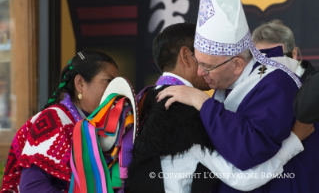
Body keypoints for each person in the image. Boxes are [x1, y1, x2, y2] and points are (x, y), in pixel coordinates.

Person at [157, 0, 319, 193]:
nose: (199, 73)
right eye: (198, 62)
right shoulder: (228, 82)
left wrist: (202, 102)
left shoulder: (276, 83)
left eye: (207, 66)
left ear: (237, 64)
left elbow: (248, 153)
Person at [127, 22, 310, 193]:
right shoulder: (185, 108)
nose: (202, 72)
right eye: (202, 62)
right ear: (185, 57)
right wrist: (294, 140)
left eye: (207, 64)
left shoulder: (145, 99)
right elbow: (241, 178)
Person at [1, 50, 118, 193]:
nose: (115, 90)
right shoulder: (53, 120)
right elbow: (31, 187)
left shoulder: (98, 125)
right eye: (108, 81)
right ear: (80, 83)